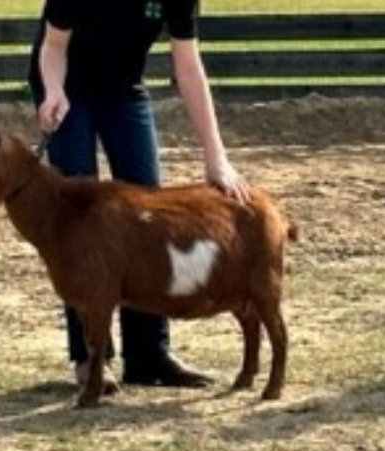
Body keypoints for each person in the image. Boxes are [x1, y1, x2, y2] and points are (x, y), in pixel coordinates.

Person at [28, 0, 252, 387]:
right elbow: (53, 47)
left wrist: (216, 156)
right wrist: (52, 92)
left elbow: (188, 67)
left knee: (149, 210)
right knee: (80, 219)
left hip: (124, 87)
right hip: (66, 84)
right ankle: (90, 357)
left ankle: (148, 354)